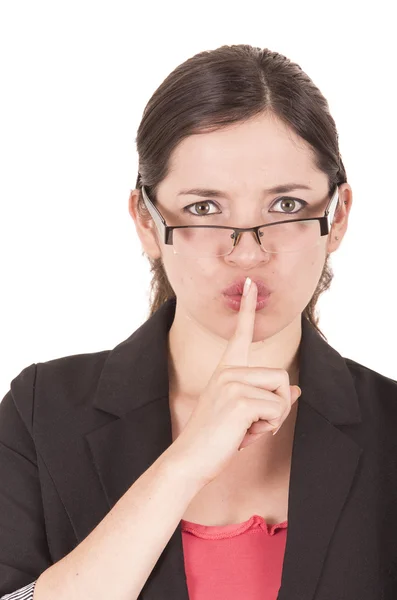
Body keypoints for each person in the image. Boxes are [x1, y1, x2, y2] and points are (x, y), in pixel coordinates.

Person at [1, 43, 396, 600]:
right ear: (146, 219)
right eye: (204, 209)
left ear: (338, 218)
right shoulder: (43, 409)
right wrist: (185, 462)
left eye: (284, 205)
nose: (248, 254)